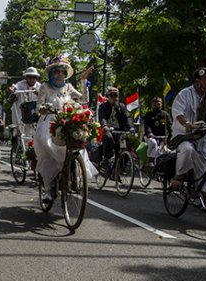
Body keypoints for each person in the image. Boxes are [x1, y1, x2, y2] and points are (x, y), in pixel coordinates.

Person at [34, 56, 94, 205]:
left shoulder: (68, 87)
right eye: (57, 72)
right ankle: (47, 190)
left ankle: (74, 174)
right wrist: (44, 108)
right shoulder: (44, 87)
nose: (60, 74)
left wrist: (83, 81)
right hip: (49, 121)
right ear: (52, 73)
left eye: (62, 72)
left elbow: (84, 100)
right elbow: (38, 108)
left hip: (67, 120)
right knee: (48, 146)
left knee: (78, 144)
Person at [169, 67, 206, 189]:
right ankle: (179, 175)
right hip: (184, 136)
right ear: (197, 81)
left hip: (205, 137)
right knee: (188, 150)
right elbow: (178, 113)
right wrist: (187, 124)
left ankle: (204, 195)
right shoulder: (184, 94)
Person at [97, 86, 133, 162]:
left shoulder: (122, 106)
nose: (114, 97)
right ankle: (107, 159)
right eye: (111, 95)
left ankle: (124, 167)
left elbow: (127, 117)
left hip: (120, 131)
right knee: (108, 137)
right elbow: (102, 118)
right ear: (107, 97)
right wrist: (105, 126)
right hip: (108, 130)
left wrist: (130, 127)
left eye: (116, 95)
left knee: (125, 143)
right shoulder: (103, 106)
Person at [10, 67, 41, 137]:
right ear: (26, 77)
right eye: (29, 77)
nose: (32, 80)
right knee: (18, 129)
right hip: (19, 111)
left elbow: (43, 95)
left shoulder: (39, 86)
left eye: (34, 77)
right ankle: (15, 142)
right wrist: (13, 90)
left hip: (32, 112)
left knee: (32, 130)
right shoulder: (21, 84)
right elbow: (15, 87)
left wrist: (38, 93)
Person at [142, 96, 171, 162]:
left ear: (161, 104)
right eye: (154, 104)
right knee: (153, 143)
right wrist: (149, 133)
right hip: (150, 137)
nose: (156, 106)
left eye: (158, 104)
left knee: (166, 152)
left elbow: (170, 127)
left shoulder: (165, 115)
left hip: (162, 138)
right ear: (152, 105)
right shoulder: (148, 114)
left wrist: (170, 137)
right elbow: (147, 125)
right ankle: (150, 160)